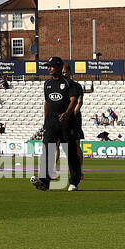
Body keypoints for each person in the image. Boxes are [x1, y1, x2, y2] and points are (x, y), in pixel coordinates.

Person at [31, 56, 75, 192]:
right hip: (51, 124)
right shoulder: (47, 84)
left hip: (66, 124)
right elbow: (47, 102)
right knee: (48, 152)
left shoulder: (68, 83)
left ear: (59, 67)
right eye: (48, 66)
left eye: (51, 66)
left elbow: (73, 100)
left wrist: (67, 113)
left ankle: (74, 181)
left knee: (71, 152)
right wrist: (46, 120)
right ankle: (44, 181)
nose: (49, 68)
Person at [60, 63, 85, 191]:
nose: (63, 75)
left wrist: (70, 114)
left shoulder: (76, 86)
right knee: (59, 144)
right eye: (62, 73)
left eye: (65, 72)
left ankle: (79, 170)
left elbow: (79, 103)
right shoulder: (59, 86)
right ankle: (52, 170)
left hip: (74, 119)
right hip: (63, 119)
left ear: (69, 72)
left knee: (76, 145)